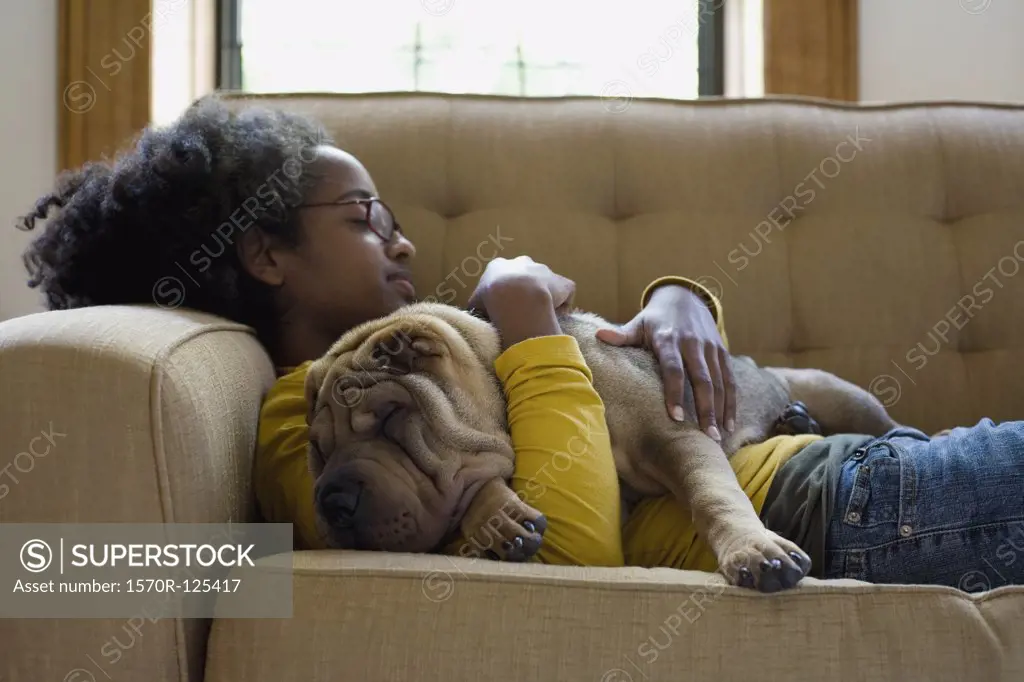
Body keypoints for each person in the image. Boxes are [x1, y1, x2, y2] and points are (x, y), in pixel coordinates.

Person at [19, 96, 1024, 592]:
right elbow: (574, 543)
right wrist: (530, 324)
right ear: (267, 254)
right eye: (366, 215)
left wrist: (683, 300)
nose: (401, 239)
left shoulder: (421, 346)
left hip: (831, 467)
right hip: (828, 506)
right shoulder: (298, 416)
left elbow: (612, 390)